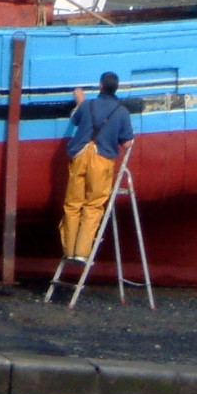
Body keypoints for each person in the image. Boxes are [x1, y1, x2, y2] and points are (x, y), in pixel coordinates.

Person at [59, 71, 134, 264]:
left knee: (73, 203)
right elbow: (127, 143)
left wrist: (80, 102)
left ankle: (68, 249)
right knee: (93, 205)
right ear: (115, 88)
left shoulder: (88, 105)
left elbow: (75, 119)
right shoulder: (122, 112)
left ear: (100, 86)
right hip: (102, 159)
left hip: (81, 154)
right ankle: (82, 253)